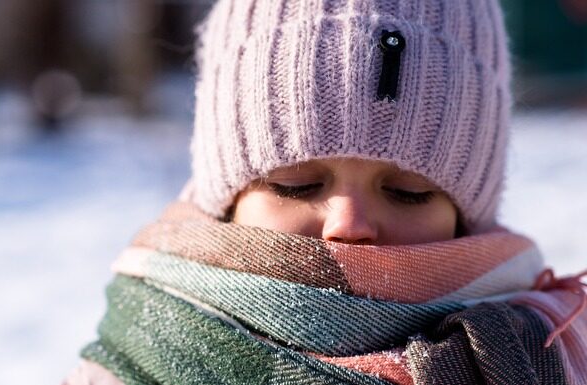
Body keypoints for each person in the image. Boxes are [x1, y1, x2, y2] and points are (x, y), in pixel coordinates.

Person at [64, 0, 587, 384]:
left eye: (408, 191)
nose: (349, 223)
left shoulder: (548, 353)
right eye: (296, 185)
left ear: (466, 214)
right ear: (226, 200)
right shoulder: (129, 365)